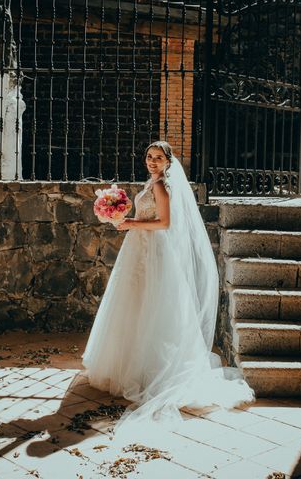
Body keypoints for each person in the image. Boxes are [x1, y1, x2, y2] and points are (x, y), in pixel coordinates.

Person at [81, 140, 255, 443]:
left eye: (158, 158)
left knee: (154, 306)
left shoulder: (162, 187)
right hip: (139, 247)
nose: (152, 161)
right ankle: (133, 365)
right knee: (135, 305)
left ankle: (153, 370)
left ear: (168, 161)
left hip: (154, 251)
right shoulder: (153, 182)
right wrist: (118, 213)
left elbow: (164, 223)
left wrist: (129, 222)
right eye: (149, 157)